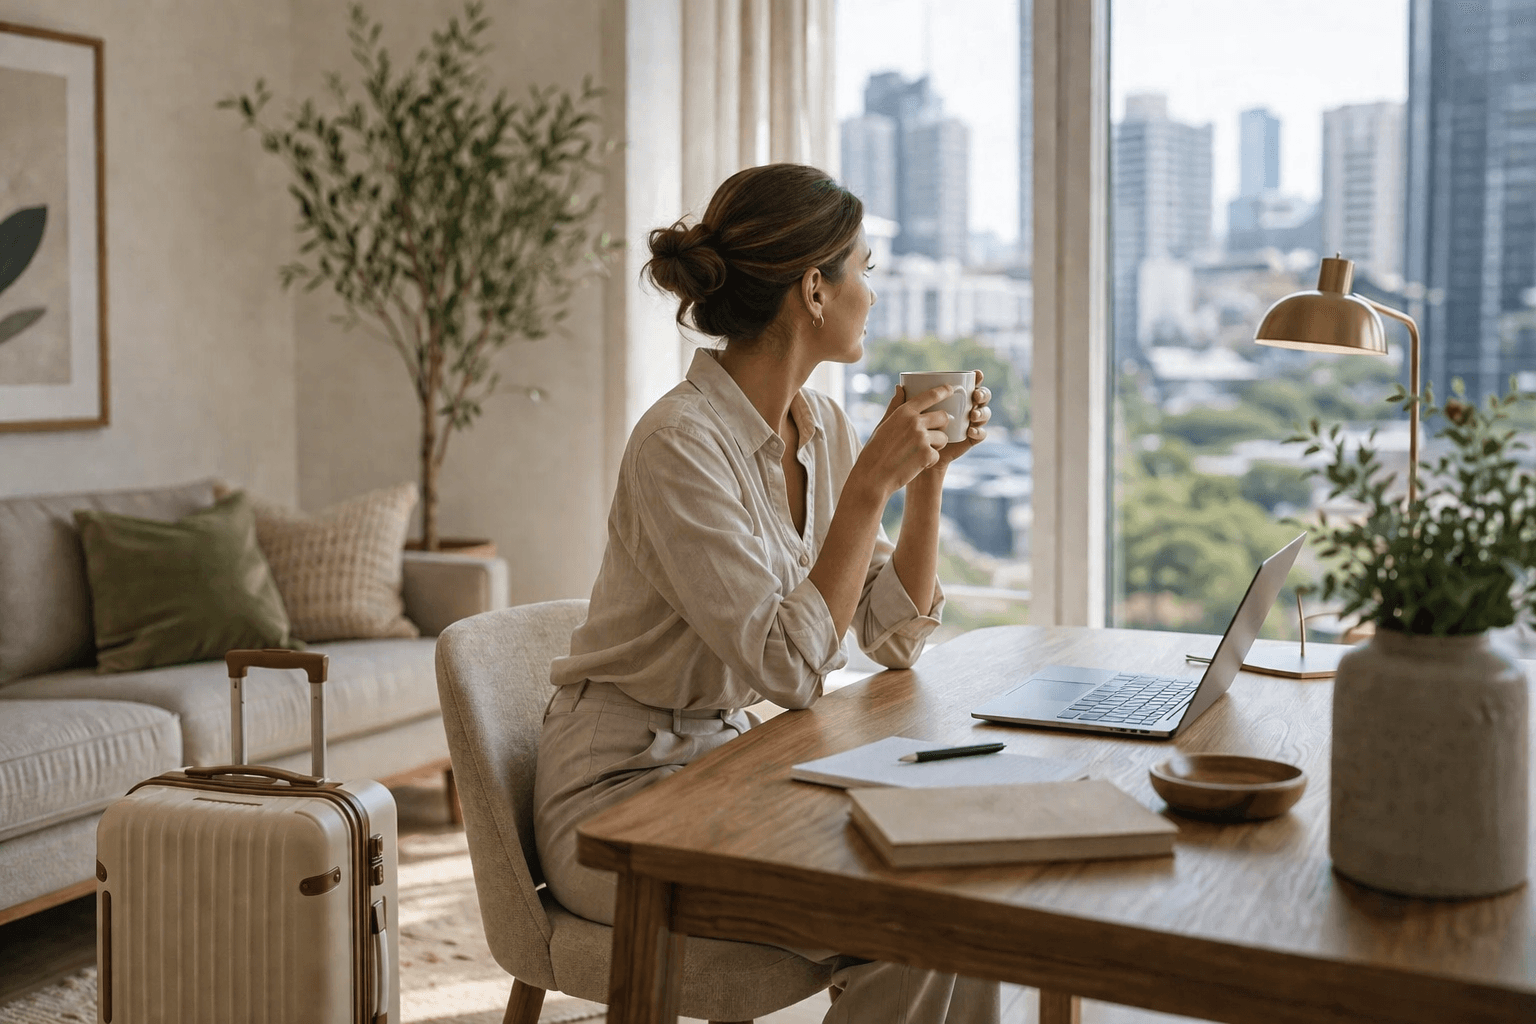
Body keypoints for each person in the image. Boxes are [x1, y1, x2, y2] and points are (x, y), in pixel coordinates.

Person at [533, 162, 999, 1022]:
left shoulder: (820, 428)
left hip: (729, 767)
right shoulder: (679, 445)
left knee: (955, 889)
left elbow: (891, 637)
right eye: (863, 270)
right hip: (620, 806)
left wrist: (925, 480)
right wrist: (868, 492)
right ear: (814, 290)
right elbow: (790, 667)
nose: (871, 292)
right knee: (915, 914)